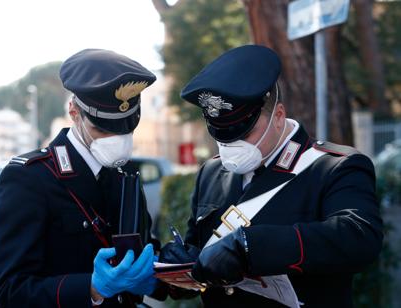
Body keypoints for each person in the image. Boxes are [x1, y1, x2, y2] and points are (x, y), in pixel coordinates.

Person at [159, 45, 383, 307]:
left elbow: (359, 237)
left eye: (243, 134)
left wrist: (252, 246)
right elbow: (203, 255)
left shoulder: (334, 167)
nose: (231, 146)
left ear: (278, 116)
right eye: (221, 135)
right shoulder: (211, 172)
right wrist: (181, 266)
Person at [0, 49, 160, 307]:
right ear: (74, 111)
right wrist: (90, 288)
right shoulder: (28, 179)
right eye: (102, 128)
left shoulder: (123, 176)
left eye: (126, 128)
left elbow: (143, 251)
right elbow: (10, 292)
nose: (115, 139)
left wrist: (163, 276)